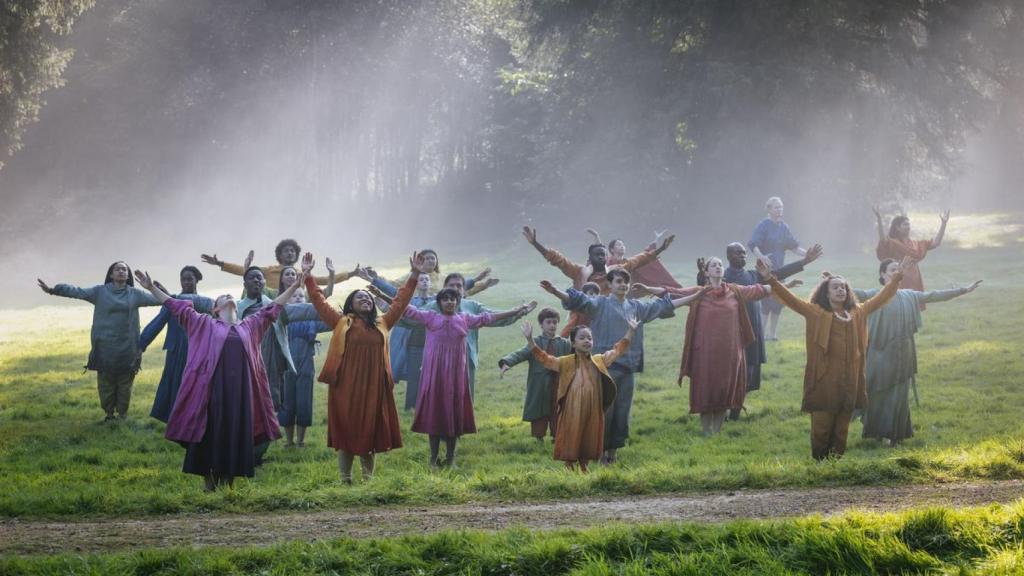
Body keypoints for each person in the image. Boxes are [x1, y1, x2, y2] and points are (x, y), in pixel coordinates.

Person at [132, 267, 305, 490]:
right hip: (210, 393)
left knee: (235, 433)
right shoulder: (203, 323)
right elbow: (175, 306)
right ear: (216, 309)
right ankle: (208, 483)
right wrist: (151, 287)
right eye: (223, 297)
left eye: (230, 296)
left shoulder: (250, 325)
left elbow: (273, 308)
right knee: (209, 434)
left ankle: (228, 482)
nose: (228, 297)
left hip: (240, 394)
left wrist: (294, 286)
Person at [540, 269, 703, 464]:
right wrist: (556, 291)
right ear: (610, 284)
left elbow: (662, 306)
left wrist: (694, 297)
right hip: (604, 368)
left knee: (622, 412)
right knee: (604, 412)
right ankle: (599, 452)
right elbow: (579, 301)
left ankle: (613, 453)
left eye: (626, 282)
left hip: (627, 368)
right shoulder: (600, 304)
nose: (623, 285)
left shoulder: (635, 307)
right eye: (619, 281)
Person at [756, 257, 910, 460]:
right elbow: (790, 299)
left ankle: (836, 464)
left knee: (842, 427)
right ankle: (820, 464)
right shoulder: (815, 312)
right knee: (822, 425)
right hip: (824, 379)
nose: (840, 290)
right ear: (826, 292)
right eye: (835, 287)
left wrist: (897, 278)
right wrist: (770, 279)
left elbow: (881, 298)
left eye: (843, 288)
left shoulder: (857, 312)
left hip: (850, 378)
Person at [299, 252, 424, 483]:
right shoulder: (340, 322)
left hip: (375, 386)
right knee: (346, 431)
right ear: (350, 305)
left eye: (367, 297)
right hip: (346, 385)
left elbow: (401, 301)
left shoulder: (384, 322)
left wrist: (414, 274)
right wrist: (307, 276)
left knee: (371, 430)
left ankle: (368, 479)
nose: (366, 299)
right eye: (359, 297)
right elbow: (318, 300)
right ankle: (345, 478)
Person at [854, 259, 981, 444]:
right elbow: (852, 294)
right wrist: (832, 282)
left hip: (903, 355)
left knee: (899, 397)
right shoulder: (873, 295)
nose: (897, 272)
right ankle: (878, 433)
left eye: (898, 269)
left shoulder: (909, 295)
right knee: (877, 394)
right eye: (892, 270)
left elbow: (934, 295)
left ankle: (895, 436)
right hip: (878, 355)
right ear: (882, 274)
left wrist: (963, 290)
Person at [405, 288, 534, 468]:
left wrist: (516, 310)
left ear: (458, 302)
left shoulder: (465, 318)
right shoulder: (430, 317)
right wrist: (381, 296)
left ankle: (451, 459)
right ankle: (433, 459)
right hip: (434, 374)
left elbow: (489, 318)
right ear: (439, 302)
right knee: (434, 413)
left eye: (453, 299)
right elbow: (406, 308)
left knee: (453, 414)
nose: (450, 302)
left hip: (456, 376)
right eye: (446, 299)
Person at [648, 257, 771, 436]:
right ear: (706, 272)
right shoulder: (699, 293)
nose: (718, 267)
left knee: (723, 391)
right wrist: (648, 289)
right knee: (705, 390)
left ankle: (717, 433)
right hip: (704, 353)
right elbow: (674, 292)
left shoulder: (735, 291)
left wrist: (777, 284)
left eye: (720, 264)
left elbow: (760, 290)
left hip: (729, 352)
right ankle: (706, 432)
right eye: (713, 265)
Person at [705, 243, 823, 420]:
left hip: (753, 330)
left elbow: (777, 275)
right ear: (729, 256)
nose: (743, 256)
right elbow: (706, 290)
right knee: (728, 374)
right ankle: (721, 409)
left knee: (748, 374)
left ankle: (735, 414)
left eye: (744, 253)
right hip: (729, 333)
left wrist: (804, 260)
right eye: (738, 253)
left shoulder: (752, 276)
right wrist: (702, 275)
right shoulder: (723, 277)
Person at [38, 262, 161, 421]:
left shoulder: (135, 294)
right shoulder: (99, 292)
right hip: (104, 347)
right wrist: (53, 290)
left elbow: (160, 300)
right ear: (111, 274)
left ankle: (122, 415)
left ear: (128, 275)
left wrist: (154, 288)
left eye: (124, 269)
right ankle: (109, 415)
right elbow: (78, 292)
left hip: (128, 348)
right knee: (106, 383)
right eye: (117, 269)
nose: (121, 271)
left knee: (125, 384)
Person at [384, 272, 534, 401]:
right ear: (444, 288)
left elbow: (492, 317)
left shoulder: (473, 306)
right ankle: (437, 426)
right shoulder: (434, 307)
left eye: (459, 286)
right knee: (438, 396)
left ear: (464, 289)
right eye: (452, 285)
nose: (455, 288)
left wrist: (519, 312)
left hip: (466, 358)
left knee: (463, 396)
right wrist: (387, 307)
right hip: (438, 359)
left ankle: (457, 429)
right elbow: (411, 318)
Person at [521, 316, 638, 472]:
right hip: (572, 409)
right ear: (573, 343)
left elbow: (618, 350)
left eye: (589, 338)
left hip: (593, 408)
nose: (587, 341)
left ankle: (584, 465)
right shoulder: (565, 362)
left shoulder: (599, 360)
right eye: (582, 338)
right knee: (571, 435)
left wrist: (630, 331)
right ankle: (569, 466)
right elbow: (545, 359)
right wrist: (530, 340)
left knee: (590, 435)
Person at [523, 226, 675, 336]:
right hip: (580, 320)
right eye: (597, 255)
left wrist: (660, 249)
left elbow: (639, 260)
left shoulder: (615, 270)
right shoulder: (579, 272)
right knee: (564, 347)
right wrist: (536, 244)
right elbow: (558, 260)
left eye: (603, 254)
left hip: (607, 320)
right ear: (590, 258)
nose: (601, 257)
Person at [139, 265, 214, 423]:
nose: (186, 282)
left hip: (199, 351)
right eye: (183, 279)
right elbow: (157, 324)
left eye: (190, 279)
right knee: (175, 385)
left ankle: (197, 418)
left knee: (197, 386)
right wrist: (140, 345)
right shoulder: (171, 303)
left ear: (196, 281)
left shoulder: (204, 303)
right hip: (176, 351)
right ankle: (176, 420)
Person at [499, 308, 572, 441]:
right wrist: (507, 362)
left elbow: (573, 359)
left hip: (559, 383)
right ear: (541, 324)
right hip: (539, 384)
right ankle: (539, 437)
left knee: (559, 409)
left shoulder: (564, 343)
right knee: (539, 410)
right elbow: (521, 353)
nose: (552, 325)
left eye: (555, 322)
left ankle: (557, 436)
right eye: (548, 322)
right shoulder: (536, 342)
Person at [278, 285, 331, 448]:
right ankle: (288, 441)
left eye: (301, 296)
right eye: (294, 296)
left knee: (304, 403)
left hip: (306, 366)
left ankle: (300, 441)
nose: (299, 298)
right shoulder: (281, 319)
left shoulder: (312, 321)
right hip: (286, 367)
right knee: (287, 403)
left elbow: (332, 323)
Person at [201, 238, 352, 295]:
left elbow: (325, 280)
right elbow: (245, 272)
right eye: (286, 251)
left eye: (292, 251)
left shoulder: (301, 273)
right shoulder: (269, 270)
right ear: (279, 255)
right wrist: (220, 263)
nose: (290, 253)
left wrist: (351, 274)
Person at [748, 196, 807, 341]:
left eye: (781, 207)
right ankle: (761, 335)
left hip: (781, 271)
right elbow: (753, 244)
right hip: (765, 271)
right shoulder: (763, 225)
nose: (780, 209)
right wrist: (761, 257)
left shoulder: (784, 227)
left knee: (779, 302)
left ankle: (772, 335)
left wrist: (808, 255)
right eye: (776, 207)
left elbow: (794, 247)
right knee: (766, 302)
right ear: (769, 209)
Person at [873, 206, 950, 309]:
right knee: (900, 307)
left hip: (915, 279)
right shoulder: (893, 243)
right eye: (905, 224)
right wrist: (879, 219)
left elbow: (936, 243)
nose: (909, 227)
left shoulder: (916, 244)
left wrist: (944, 223)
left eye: (909, 224)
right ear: (897, 227)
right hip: (900, 279)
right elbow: (883, 240)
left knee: (914, 308)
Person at [360, 249, 496, 298]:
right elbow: (393, 286)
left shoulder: (443, 278)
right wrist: (375, 278)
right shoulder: (411, 277)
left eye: (433, 258)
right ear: (420, 261)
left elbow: (462, 290)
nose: (431, 260)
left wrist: (483, 284)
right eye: (427, 258)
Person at [587, 229, 682, 290]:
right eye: (619, 245)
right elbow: (599, 253)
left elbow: (642, 257)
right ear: (612, 249)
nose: (622, 247)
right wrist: (596, 237)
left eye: (623, 245)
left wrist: (661, 248)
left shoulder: (627, 263)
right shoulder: (608, 262)